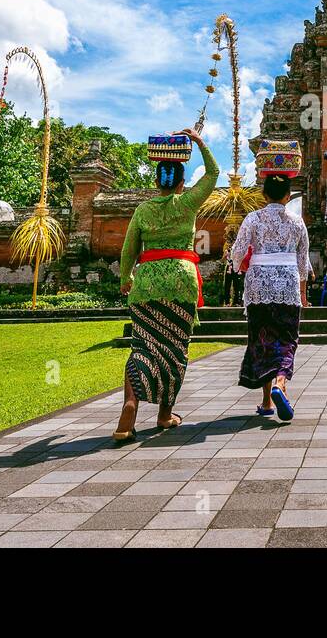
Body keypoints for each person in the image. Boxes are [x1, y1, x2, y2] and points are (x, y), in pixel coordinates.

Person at [112, 127, 217, 440]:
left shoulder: (143, 210)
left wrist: (125, 277)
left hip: (146, 284)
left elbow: (129, 249)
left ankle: (130, 405)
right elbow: (213, 173)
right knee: (174, 350)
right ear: (182, 183)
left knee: (142, 346)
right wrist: (198, 141)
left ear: (157, 182)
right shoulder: (187, 204)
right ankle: (164, 414)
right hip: (181, 284)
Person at [231, 140, 308, 422]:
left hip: (258, 286)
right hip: (287, 285)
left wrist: (240, 267)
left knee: (263, 339)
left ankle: (266, 401)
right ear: (288, 195)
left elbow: (237, 251)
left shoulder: (252, 219)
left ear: (264, 194)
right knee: (286, 339)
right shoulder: (297, 221)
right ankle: (279, 385)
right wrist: (303, 292)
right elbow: (302, 260)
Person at [221, 225, 243, 307]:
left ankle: (237, 302)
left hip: (237, 266)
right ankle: (227, 302)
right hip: (229, 267)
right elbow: (222, 259)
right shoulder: (226, 246)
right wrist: (225, 255)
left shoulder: (239, 246)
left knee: (237, 285)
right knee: (227, 285)